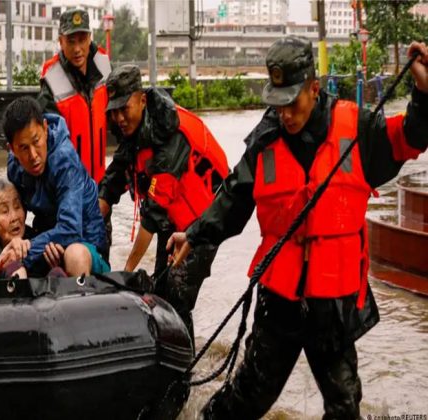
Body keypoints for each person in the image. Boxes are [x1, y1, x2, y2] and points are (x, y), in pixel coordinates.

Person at [168, 36, 428, 418]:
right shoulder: (265, 141)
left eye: (293, 102)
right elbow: (232, 199)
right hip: (280, 299)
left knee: (344, 405)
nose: (285, 114)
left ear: (314, 88)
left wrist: (423, 92)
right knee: (248, 397)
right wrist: (193, 233)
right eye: (277, 103)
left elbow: (410, 138)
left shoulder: (355, 127)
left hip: (334, 301)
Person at [97, 64, 228, 334]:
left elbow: (152, 217)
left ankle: (185, 370)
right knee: (159, 293)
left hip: (201, 225)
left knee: (176, 301)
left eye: (125, 108)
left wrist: (127, 272)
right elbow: (113, 179)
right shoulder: (134, 133)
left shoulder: (170, 139)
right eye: (115, 111)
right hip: (172, 223)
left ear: (142, 100)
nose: (120, 118)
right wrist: (94, 216)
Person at [5, 96, 109, 278]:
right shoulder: (14, 167)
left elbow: (70, 229)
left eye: (36, 141)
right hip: (48, 241)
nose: (33, 155)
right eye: (23, 148)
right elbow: (16, 217)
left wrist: (25, 252)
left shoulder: (65, 161)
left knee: (74, 254)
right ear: (12, 149)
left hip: (84, 245)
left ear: (45, 129)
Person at [38, 8, 111, 185]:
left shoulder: (103, 65)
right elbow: (51, 145)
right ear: (60, 42)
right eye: (71, 41)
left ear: (90, 38)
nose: (77, 49)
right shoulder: (52, 79)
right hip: (69, 188)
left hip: (100, 186)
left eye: (82, 40)